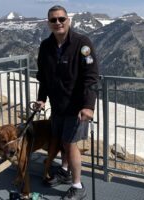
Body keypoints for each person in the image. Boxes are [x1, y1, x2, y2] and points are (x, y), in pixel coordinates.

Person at [36, 5, 98, 200]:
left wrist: (88, 106)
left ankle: (78, 186)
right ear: (48, 23)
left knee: (70, 144)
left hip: (77, 106)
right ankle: (64, 170)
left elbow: (91, 77)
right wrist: (41, 98)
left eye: (61, 19)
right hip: (57, 104)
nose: (58, 23)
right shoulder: (46, 46)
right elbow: (44, 77)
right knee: (62, 139)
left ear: (68, 20)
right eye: (53, 20)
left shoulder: (82, 43)